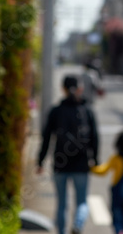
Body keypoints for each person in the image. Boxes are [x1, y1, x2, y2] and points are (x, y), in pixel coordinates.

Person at [37, 75, 99, 234]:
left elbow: (46, 139)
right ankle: (78, 225)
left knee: (62, 204)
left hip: (60, 164)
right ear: (80, 89)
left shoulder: (55, 111)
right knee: (82, 203)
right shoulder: (87, 111)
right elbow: (95, 138)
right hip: (82, 164)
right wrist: (95, 160)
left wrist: (40, 162)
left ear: (62, 89)